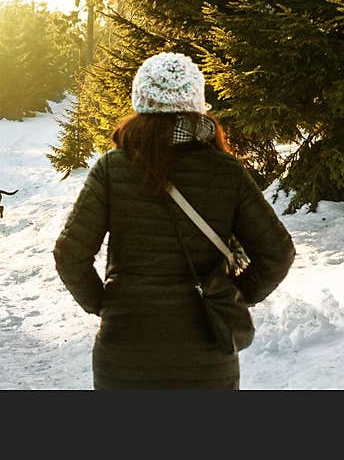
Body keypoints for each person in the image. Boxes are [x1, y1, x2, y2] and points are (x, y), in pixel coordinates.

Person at [53, 52, 295, 389]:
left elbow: (69, 254)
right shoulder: (227, 172)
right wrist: (233, 295)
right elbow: (277, 253)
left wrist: (105, 305)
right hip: (207, 356)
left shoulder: (112, 168)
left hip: (125, 353)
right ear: (196, 104)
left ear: (141, 102)